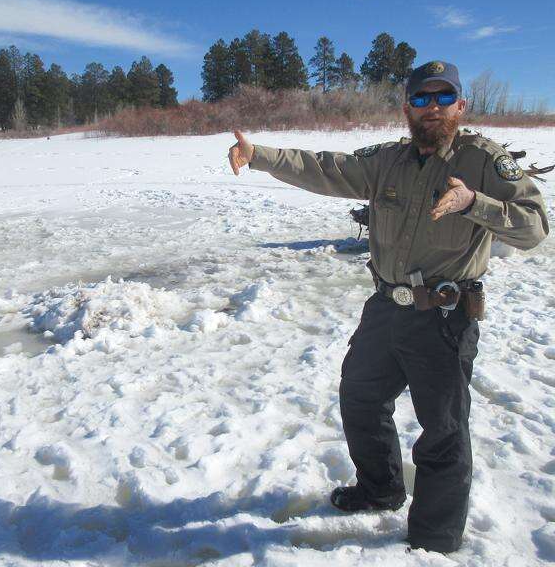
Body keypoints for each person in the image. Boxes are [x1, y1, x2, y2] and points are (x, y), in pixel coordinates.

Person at [227, 60, 548, 554]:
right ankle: (381, 489)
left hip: (445, 315)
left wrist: (473, 203)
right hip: (386, 308)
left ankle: (435, 538)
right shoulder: (387, 160)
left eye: (444, 98)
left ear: (461, 106)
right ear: (407, 108)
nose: (432, 107)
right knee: (359, 396)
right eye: (422, 98)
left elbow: (533, 228)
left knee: (442, 429)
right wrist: (259, 154)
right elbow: (326, 168)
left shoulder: (485, 160)